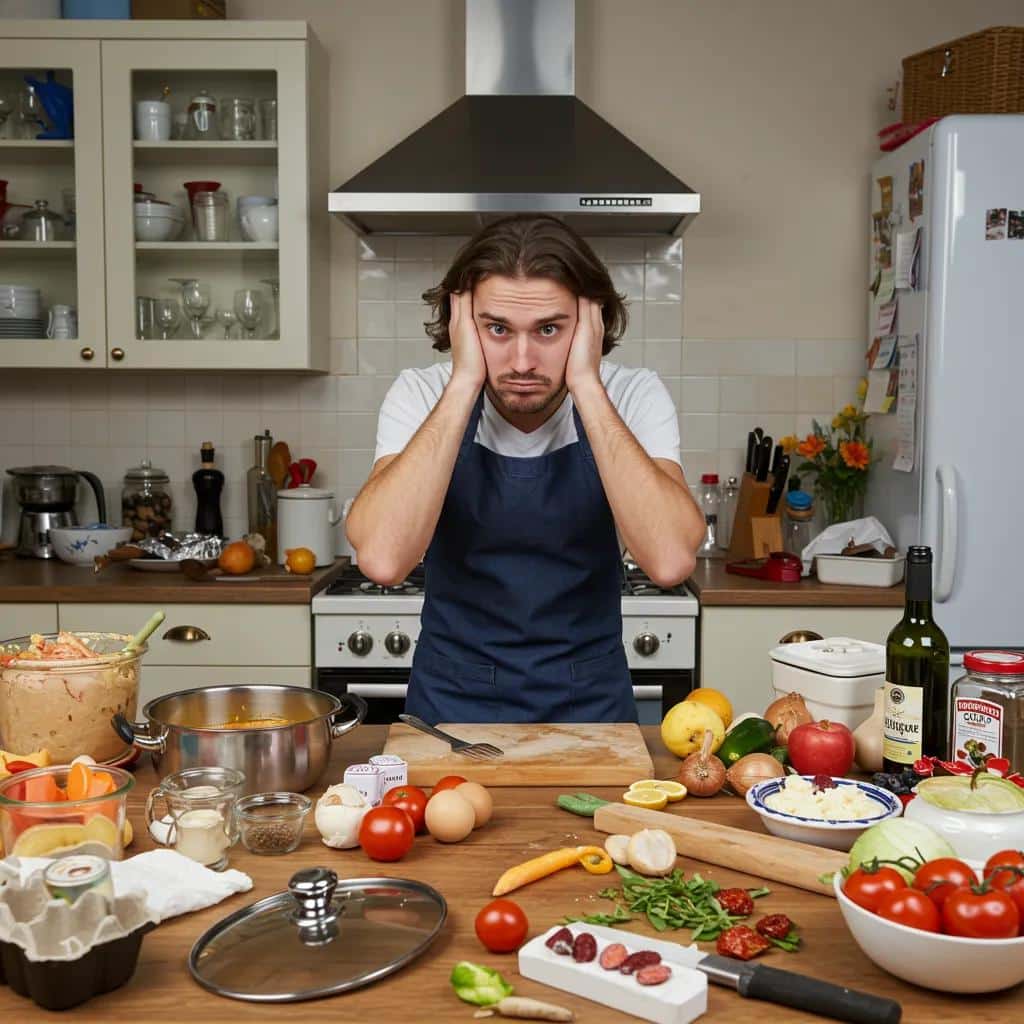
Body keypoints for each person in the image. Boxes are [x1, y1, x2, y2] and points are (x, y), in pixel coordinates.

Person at [346, 215, 704, 724]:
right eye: (497, 329)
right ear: (461, 322)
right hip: (450, 713)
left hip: (592, 713)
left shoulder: (631, 395)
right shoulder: (422, 394)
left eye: (549, 329)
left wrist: (587, 385)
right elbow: (383, 560)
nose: (521, 361)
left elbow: (669, 561)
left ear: (590, 323)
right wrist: (464, 381)